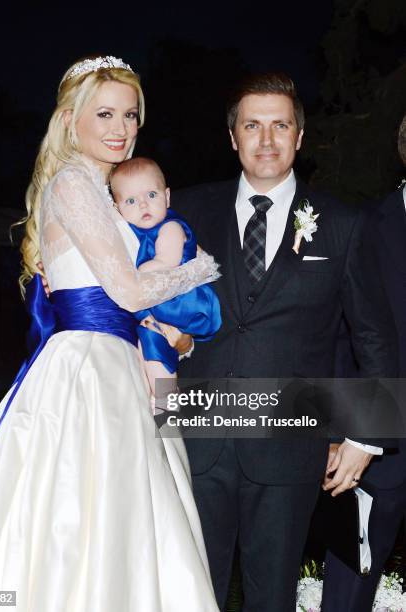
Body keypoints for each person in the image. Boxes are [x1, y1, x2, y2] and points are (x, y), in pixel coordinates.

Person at [0, 56, 221, 612]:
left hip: (117, 361)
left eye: (130, 116)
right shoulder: (75, 184)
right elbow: (126, 292)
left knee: (128, 516)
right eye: (105, 114)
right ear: (71, 120)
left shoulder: (107, 188)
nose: (121, 128)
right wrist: (202, 269)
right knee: (86, 511)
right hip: (90, 371)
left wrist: (172, 334)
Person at [171, 72, 398, 611]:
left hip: (291, 446)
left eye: (280, 125)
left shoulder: (344, 226)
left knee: (272, 599)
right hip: (190, 437)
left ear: (300, 136)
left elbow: (375, 338)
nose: (266, 139)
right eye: (252, 125)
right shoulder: (183, 213)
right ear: (233, 137)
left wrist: (366, 438)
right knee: (184, 596)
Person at [321, 113, 406, 611]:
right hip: (378, 451)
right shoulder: (364, 231)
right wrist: (339, 433)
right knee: (348, 597)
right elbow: (340, 338)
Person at [109, 157, 221, 404]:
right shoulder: (133, 232)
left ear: (167, 197)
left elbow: (167, 263)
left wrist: (133, 272)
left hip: (179, 302)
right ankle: (152, 396)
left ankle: (165, 399)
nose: (143, 205)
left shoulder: (170, 227)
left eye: (151, 194)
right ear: (118, 209)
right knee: (141, 347)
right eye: (131, 201)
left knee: (153, 340)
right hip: (156, 301)